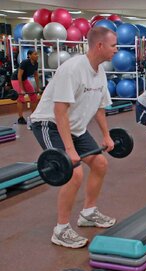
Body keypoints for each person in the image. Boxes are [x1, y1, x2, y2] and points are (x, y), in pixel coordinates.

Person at [30, 27, 118, 248]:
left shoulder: (100, 72)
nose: (117, 50)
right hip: (48, 124)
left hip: (75, 127)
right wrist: (69, 150)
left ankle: (88, 213)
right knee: (74, 174)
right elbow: (60, 111)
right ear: (100, 46)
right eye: (114, 46)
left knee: (100, 163)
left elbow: (99, 108)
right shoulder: (73, 69)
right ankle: (60, 230)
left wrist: (106, 136)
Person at [11, 49, 40, 125]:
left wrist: (38, 87)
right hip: (16, 79)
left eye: (37, 54)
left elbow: (36, 75)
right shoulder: (25, 63)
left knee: (34, 97)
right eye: (35, 54)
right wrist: (22, 89)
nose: (37, 56)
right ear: (29, 56)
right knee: (20, 98)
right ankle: (20, 118)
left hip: (24, 79)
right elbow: (19, 76)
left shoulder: (36, 63)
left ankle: (34, 117)